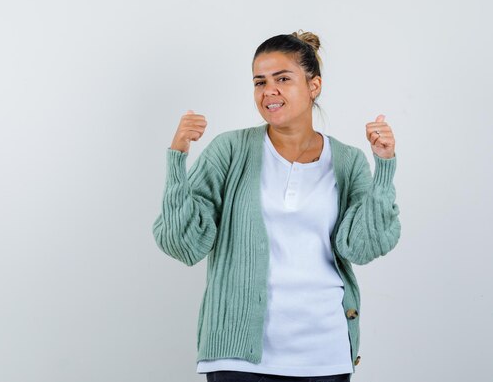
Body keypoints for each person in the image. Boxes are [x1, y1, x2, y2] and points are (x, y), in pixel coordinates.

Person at [152, 31, 401, 382]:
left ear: (314, 86)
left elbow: (362, 247)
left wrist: (384, 167)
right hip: (238, 357)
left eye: (283, 79)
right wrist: (177, 156)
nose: (269, 91)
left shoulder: (348, 161)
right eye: (260, 82)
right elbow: (183, 243)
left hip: (325, 353)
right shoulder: (230, 150)